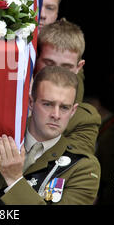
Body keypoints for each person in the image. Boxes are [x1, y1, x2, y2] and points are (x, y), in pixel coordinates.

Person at [0, 66, 100, 205]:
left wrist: (15, 179)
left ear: (73, 111)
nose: (56, 115)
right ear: (30, 102)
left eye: (64, 107)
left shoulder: (82, 167)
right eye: (47, 104)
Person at [35, 18, 100, 154]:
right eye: (49, 64)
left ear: (79, 67)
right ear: (35, 59)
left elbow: (70, 168)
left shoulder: (84, 119)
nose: (56, 73)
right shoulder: (14, 104)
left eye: (66, 67)